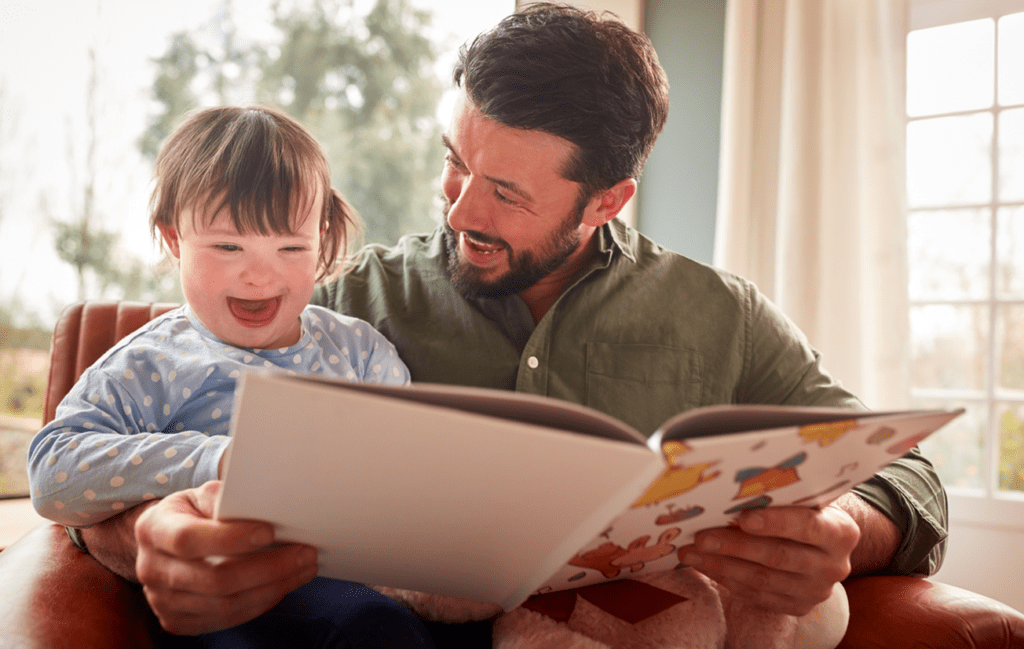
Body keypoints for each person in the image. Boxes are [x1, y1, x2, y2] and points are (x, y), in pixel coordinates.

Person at [73, 4, 947, 648]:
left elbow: (906, 476)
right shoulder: (342, 304)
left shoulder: (721, 317)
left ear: (606, 200)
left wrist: (843, 531)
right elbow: (132, 441)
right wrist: (145, 532)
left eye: (508, 194)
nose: (460, 209)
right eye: (456, 165)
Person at [27, 105, 434, 648]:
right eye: (227, 246)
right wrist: (215, 461)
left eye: (291, 247)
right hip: (218, 595)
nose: (260, 273)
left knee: (382, 627)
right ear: (174, 240)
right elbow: (53, 468)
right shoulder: (155, 360)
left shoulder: (359, 351)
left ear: (322, 237)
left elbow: (412, 467)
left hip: (351, 586)